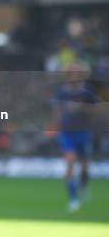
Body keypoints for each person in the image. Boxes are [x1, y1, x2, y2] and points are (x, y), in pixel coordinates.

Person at [52, 61, 99, 213]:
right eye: (71, 72)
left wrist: (82, 108)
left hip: (83, 132)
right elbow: (57, 110)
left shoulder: (87, 92)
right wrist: (57, 123)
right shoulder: (62, 92)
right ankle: (73, 199)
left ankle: (83, 186)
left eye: (76, 72)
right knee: (70, 163)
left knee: (85, 167)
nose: (74, 75)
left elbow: (96, 111)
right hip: (67, 132)